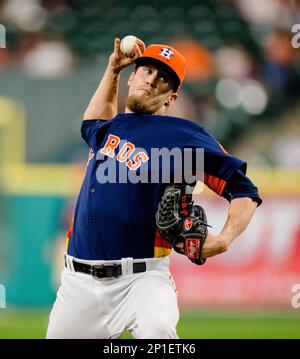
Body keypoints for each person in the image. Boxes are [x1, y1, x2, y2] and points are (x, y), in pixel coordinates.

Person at [46, 38, 262, 339]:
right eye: (147, 71)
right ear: (132, 77)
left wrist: (224, 239)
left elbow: (244, 191)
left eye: (163, 79)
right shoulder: (107, 129)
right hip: (78, 283)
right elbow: (91, 122)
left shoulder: (185, 137)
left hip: (142, 280)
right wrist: (113, 69)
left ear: (171, 98)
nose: (152, 81)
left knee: (157, 331)